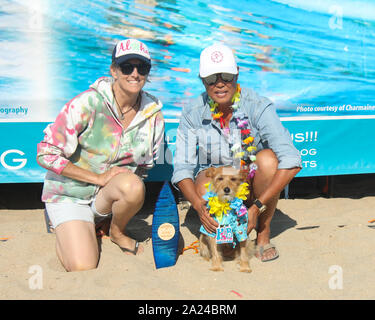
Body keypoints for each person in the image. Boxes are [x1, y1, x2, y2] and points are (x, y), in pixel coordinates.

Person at [37, 38, 165, 272]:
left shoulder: (153, 113)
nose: (135, 74)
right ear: (114, 70)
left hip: (105, 199)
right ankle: (67, 226)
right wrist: (98, 178)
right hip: (70, 195)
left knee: (134, 185)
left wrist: (118, 188)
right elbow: (46, 154)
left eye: (142, 68)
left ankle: (116, 230)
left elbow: (145, 166)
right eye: (127, 67)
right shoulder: (87, 103)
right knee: (82, 266)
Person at [171, 43, 302, 262]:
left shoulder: (258, 105)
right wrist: (197, 205)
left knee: (268, 161)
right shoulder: (192, 112)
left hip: (253, 187)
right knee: (226, 249)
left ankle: (263, 233)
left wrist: (256, 207)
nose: (220, 84)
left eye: (226, 76)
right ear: (202, 80)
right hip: (217, 185)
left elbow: (293, 160)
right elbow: (182, 168)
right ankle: (220, 226)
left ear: (237, 73)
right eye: (212, 78)